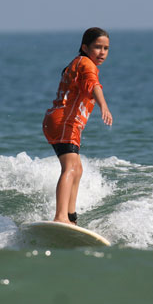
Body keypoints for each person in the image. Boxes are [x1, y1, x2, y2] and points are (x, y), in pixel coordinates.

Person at [42, 27, 113, 225]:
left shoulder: (78, 63)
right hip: (65, 122)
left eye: (106, 48)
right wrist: (103, 105)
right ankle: (61, 217)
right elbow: (94, 85)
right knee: (70, 168)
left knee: (77, 168)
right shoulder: (86, 64)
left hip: (60, 121)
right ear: (85, 47)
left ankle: (71, 216)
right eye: (97, 47)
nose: (102, 52)